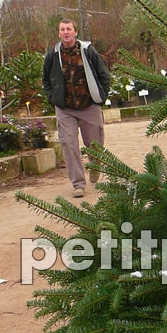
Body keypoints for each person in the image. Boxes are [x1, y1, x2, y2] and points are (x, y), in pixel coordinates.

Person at [42, 18, 110, 198]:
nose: (65, 32)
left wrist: (101, 97)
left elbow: (103, 75)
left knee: (94, 144)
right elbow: (45, 80)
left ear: (75, 32)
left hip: (89, 105)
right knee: (69, 144)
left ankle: (95, 165)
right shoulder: (52, 55)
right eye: (62, 29)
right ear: (58, 33)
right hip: (65, 109)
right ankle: (78, 184)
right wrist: (53, 99)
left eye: (69, 29)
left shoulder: (88, 51)